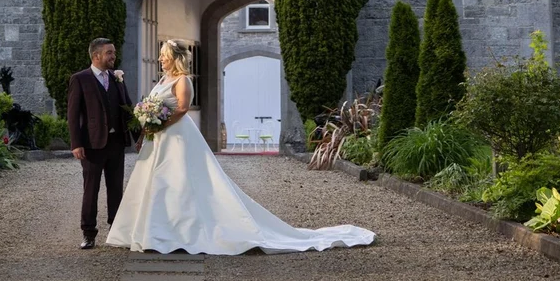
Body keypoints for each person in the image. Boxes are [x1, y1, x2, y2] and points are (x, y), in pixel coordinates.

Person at [105, 39, 375, 254]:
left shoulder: (183, 80)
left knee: (179, 181)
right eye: (161, 55)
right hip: (159, 138)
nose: (161, 59)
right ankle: (150, 231)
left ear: (174, 58)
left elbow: (183, 108)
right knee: (156, 183)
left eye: (164, 55)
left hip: (176, 136)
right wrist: (146, 126)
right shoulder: (161, 80)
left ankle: (177, 232)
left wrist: (158, 122)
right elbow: (152, 107)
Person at [66, 37, 135, 249]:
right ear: (96, 56)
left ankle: (116, 231)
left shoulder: (117, 78)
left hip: (116, 143)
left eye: (113, 52)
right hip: (91, 145)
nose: (114, 56)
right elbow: (73, 114)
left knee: (116, 189)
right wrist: (76, 144)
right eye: (109, 53)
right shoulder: (80, 79)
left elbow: (128, 108)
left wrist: (139, 135)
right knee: (91, 189)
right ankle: (88, 233)